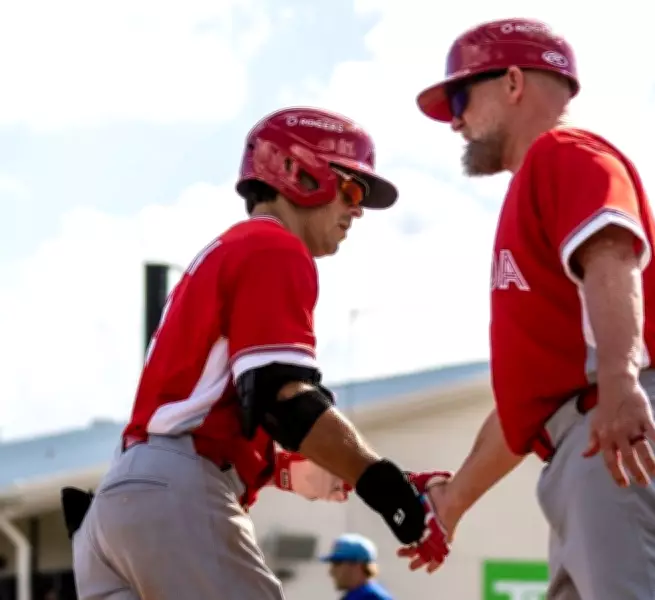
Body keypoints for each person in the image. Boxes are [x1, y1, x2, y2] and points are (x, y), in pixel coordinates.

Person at [64, 106, 450, 600]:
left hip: (119, 507)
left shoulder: (231, 249)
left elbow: (234, 411)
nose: (357, 210)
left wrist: (329, 470)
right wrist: (391, 491)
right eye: (352, 190)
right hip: (176, 491)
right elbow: (285, 400)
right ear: (298, 171)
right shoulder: (275, 247)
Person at [400, 18, 655, 599]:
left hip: (615, 428)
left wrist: (621, 384)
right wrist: (454, 500)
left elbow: (612, 258)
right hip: (585, 434)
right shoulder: (538, 179)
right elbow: (531, 400)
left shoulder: (565, 152)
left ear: (514, 82)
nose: (455, 121)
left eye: (462, 96)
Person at [321, 534, 393, 600]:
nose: (331, 571)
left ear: (357, 566)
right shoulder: (357, 595)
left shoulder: (371, 597)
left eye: (337, 564)